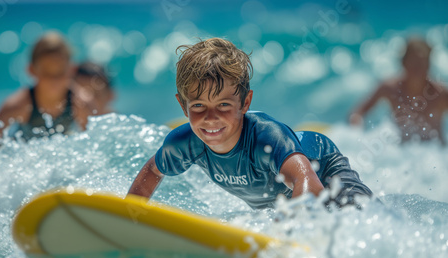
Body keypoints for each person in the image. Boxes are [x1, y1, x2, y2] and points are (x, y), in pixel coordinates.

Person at [128, 38, 373, 209]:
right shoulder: (184, 143)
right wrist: (129, 217)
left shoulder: (266, 137)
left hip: (327, 173)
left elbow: (309, 184)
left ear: (245, 103)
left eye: (223, 105)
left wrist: (289, 230)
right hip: (287, 199)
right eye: (199, 106)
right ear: (183, 106)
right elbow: (152, 170)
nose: (210, 117)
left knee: (357, 217)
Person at [0, 31, 94, 148]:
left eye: (60, 72)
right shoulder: (19, 105)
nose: (53, 80)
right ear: (31, 70)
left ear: (72, 70)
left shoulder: (81, 104)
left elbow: (96, 145)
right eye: (47, 72)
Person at [349, 38, 448, 145]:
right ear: (403, 63)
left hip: (436, 155)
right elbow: (358, 113)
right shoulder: (390, 89)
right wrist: (357, 133)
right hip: (400, 157)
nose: (418, 69)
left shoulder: (440, 94)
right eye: (414, 64)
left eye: (421, 64)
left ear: (428, 65)